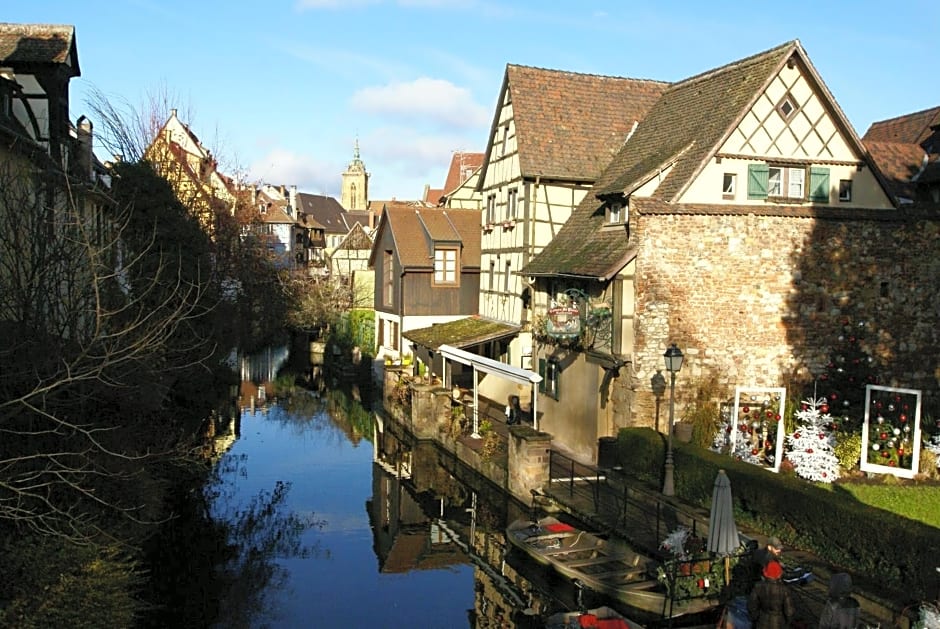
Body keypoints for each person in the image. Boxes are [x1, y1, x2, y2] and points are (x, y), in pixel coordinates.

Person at [747, 560, 795, 629]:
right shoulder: (784, 589)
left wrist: (756, 618)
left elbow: (751, 605)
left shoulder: (758, 586)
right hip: (779, 623)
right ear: (779, 574)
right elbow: (789, 611)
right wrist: (787, 622)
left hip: (762, 622)